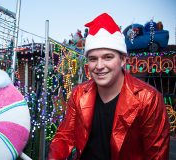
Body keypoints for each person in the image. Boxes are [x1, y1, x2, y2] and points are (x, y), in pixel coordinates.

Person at [48, 13, 170, 160]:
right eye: (93, 59)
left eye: (108, 57)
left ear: (123, 59)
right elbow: (64, 137)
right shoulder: (79, 93)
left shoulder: (149, 99)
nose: (99, 66)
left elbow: (157, 155)